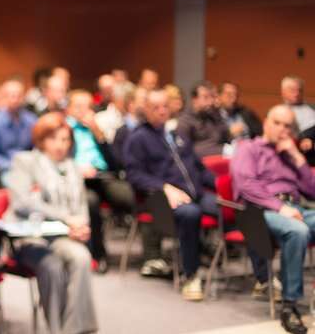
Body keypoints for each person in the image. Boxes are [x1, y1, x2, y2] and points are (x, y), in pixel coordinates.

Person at [6, 112, 98, 334]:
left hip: (62, 236)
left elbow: (81, 206)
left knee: (82, 257)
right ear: (41, 139)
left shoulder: (73, 166)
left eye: (65, 140)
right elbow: (22, 202)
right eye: (54, 139)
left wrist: (81, 226)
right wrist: (65, 217)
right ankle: (55, 330)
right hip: (29, 236)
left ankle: (74, 329)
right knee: (53, 267)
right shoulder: (25, 161)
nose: (60, 145)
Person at [123, 89, 219, 301]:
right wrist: (164, 187)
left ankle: (261, 277)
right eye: (155, 107)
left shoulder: (177, 135)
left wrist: (220, 184)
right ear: (145, 110)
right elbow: (134, 175)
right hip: (160, 201)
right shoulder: (138, 138)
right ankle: (190, 274)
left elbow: (198, 168)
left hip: (196, 193)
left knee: (232, 207)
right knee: (190, 214)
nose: (161, 111)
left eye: (165, 106)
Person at [232, 105, 315, 334]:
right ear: (266, 122)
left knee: (298, 225)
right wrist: (280, 207)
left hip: (294, 207)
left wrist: (298, 157)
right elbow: (246, 185)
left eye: (288, 126)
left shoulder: (289, 154)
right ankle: (290, 306)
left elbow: (312, 190)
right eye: (277, 123)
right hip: (260, 211)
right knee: (297, 231)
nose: (282, 129)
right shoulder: (248, 148)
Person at [65, 90, 134, 271]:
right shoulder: (64, 129)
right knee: (90, 202)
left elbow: (115, 163)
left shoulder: (97, 129)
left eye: (87, 107)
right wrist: (77, 169)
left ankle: (155, 255)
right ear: (69, 109)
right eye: (78, 107)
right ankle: (97, 254)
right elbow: (60, 160)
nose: (83, 111)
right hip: (76, 181)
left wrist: (99, 134)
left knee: (130, 196)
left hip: (103, 178)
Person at [0, 79, 38, 185]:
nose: (15, 99)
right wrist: (13, 165)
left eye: (19, 95)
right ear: (3, 97)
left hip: (29, 166)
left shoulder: (31, 120)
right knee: (19, 183)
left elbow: (38, 147)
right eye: (11, 95)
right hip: (5, 169)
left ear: (24, 97)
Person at [176, 81, 230, 158]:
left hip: (220, 159)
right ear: (194, 100)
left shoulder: (213, 115)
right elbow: (185, 151)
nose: (210, 102)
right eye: (205, 97)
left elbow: (226, 138)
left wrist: (217, 111)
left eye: (212, 97)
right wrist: (222, 150)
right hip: (199, 164)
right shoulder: (185, 121)